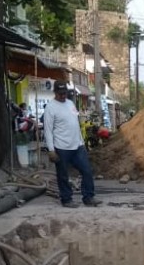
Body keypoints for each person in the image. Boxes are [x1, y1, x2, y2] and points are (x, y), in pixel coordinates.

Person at [43, 80, 101, 208]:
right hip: (61, 147)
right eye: (60, 94)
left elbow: (75, 123)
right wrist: (51, 150)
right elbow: (48, 130)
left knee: (87, 171)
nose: (63, 96)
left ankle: (88, 197)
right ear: (55, 92)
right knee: (63, 175)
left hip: (77, 146)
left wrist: (81, 142)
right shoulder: (50, 108)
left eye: (64, 93)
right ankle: (66, 199)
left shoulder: (70, 103)